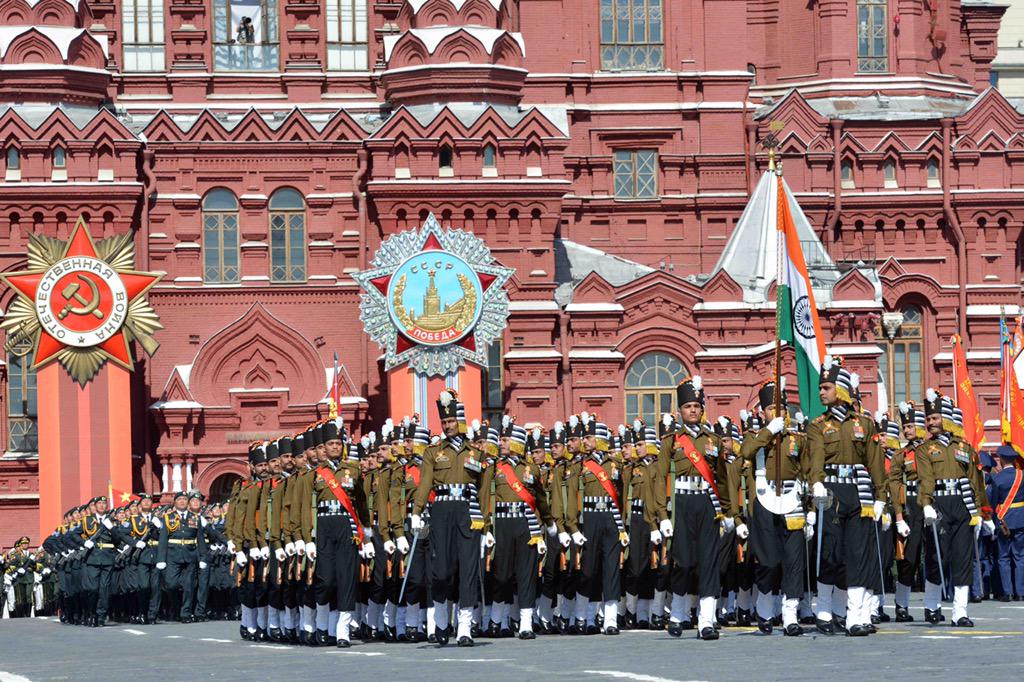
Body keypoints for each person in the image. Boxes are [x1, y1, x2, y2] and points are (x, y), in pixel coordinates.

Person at [806, 356, 886, 637]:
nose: (821, 392)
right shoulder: (817, 425)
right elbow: (816, 457)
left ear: (839, 390)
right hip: (831, 492)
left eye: (826, 387)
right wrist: (816, 483)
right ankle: (825, 609)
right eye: (820, 388)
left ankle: (854, 616)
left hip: (858, 491)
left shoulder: (864, 423)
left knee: (857, 554)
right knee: (830, 552)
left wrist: (881, 497)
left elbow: (875, 461)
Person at [410, 389, 487, 647]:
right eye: (444, 422)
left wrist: (485, 523)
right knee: (440, 571)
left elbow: (485, 489)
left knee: (467, 570)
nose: (448, 426)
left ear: (461, 421)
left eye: (451, 421)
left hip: (468, 512)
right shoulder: (433, 452)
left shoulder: (476, 453)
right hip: (442, 511)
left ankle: (464, 627)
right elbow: (424, 484)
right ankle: (441, 623)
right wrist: (417, 511)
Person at [656, 376, 728, 640]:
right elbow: (659, 477)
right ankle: (677, 614)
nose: (693, 410)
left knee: (709, 563)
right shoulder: (671, 441)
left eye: (697, 405)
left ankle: (706, 621)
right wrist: (661, 515)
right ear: (680, 411)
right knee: (683, 562)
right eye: (688, 406)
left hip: (708, 504)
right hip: (681, 505)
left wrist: (729, 513)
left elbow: (722, 478)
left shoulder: (713, 440)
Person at [737, 379, 811, 636]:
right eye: (771, 408)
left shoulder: (797, 438)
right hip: (765, 499)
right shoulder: (755, 436)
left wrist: (810, 508)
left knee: (794, 559)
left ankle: (790, 615)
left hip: (792, 500)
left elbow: (807, 469)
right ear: (763, 412)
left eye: (781, 408)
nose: (777, 412)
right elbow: (745, 451)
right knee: (767, 560)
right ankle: (765, 609)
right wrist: (769, 431)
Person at [915, 390, 994, 626]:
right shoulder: (923, 449)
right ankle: (931, 605)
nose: (931, 423)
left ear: (946, 418)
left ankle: (960, 612)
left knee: (962, 558)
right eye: (928, 419)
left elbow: (975, 481)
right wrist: (926, 503)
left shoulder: (965, 447)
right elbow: (926, 479)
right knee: (937, 557)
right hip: (939, 504)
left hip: (963, 504)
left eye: (935, 418)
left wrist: (984, 512)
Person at [889, 401, 926, 621]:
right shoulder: (901, 455)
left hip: (931, 504)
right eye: (905, 426)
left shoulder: (932, 450)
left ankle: (933, 604)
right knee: (908, 559)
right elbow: (894, 484)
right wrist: (899, 516)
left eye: (911, 425)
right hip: (911, 504)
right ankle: (901, 604)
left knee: (932, 555)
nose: (907, 430)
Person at [989, 444, 1024, 601]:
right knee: (1020, 556)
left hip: (1004, 521)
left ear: (1001, 460)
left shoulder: (997, 479)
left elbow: (993, 503)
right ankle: (1021, 592)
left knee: (1003, 557)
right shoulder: (1022, 476)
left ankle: (1007, 592)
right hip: (1021, 519)